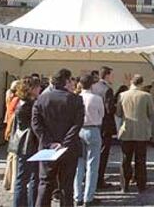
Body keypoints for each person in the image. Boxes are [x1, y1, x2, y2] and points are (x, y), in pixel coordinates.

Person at [32, 68, 84, 207]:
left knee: (45, 184)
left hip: (47, 149)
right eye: (71, 80)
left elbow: (36, 125)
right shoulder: (76, 100)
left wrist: (50, 143)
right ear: (66, 81)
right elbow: (77, 125)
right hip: (69, 149)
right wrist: (64, 144)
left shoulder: (41, 99)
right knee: (66, 187)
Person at [116, 74, 154, 193]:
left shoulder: (122, 95)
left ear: (131, 82)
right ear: (141, 83)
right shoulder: (147, 96)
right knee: (141, 160)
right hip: (141, 132)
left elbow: (118, 113)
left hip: (126, 131)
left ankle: (124, 185)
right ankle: (141, 185)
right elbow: (151, 113)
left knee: (125, 159)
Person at [74, 74, 104, 205]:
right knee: (92, 165)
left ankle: (77, 196)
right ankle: (88, 197)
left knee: (78, 164)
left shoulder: (76, 98)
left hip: (78, 130)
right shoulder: (96, 98)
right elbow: (101, 115)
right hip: (93, 129)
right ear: (92, 84)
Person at [12, 76, 41, 207]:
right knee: (24, 179)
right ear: (31, 89)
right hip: (28, 143)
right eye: (37, 87)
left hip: (27, 143)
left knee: (29, 178)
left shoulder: (24, 103)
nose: (40, 89)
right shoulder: (28, 105)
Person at [92, 66, 117, 189]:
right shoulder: (107, 89)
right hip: (105, 126)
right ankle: (99, 180)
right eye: (112, 75)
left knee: (92, 155)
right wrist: (117, 106)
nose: (113, 77)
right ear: (106, 75)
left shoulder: (93, 87)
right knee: (103, 154)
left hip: (94, 123)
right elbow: (109, 109)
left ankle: (92, 179)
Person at [2, 80, 20, 191]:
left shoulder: (10, 98)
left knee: (11, 157)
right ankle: (13, 184)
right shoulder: (16, 100)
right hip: (14, 131)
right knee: (15, 158)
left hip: (10, 128)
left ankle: (7, 182)